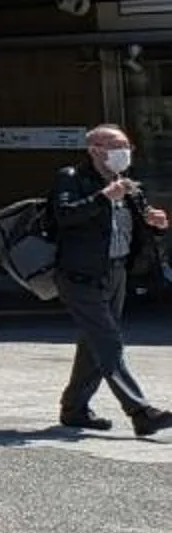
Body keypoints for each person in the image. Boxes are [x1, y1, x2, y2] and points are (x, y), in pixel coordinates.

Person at [45, 124, 169, 436]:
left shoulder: (127, 182)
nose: (124, 152)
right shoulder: (71, 178)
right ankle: (140, 411)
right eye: (116, 146)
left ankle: (74, 409)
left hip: (116, 271)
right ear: (94, 150)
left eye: (127, 146)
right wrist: (103, 197)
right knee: (108, 340)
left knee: (94, 342)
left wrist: (154, 222)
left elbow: (138, 222)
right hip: (79, 274)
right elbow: (64, 215)